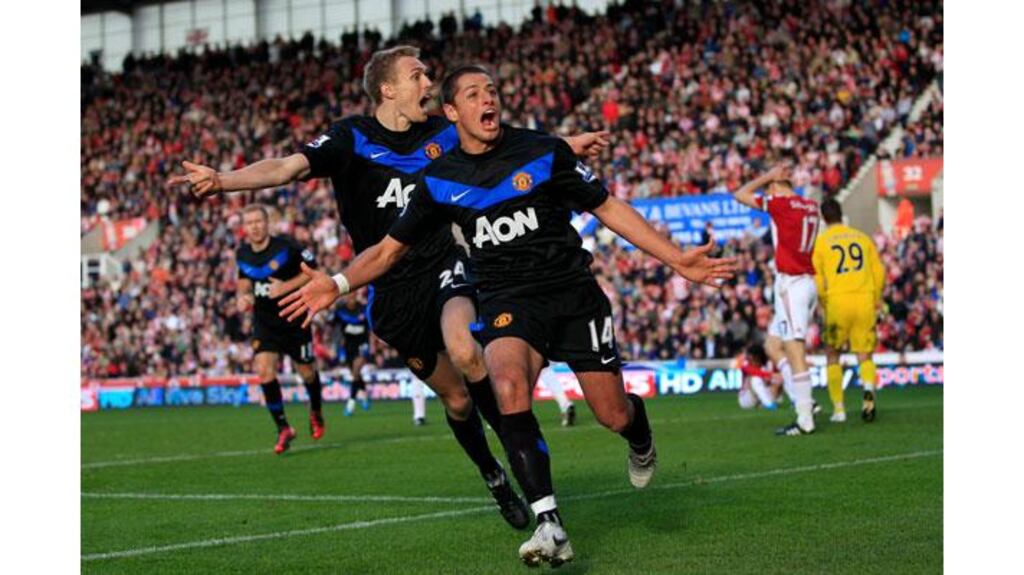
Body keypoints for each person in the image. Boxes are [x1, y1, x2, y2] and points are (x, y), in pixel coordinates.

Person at [278, 64, 738, 567]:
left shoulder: (542, 151)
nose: (487, 100)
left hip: (572, 294)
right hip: (507, 300)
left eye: (492, 91)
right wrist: (338, 283)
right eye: (473, 94)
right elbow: (388, 251)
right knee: (508, 386)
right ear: (452, 113)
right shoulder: (439, 179)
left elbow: (608, 207)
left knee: (611, 414)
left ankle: (638, 430)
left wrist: (677, 259)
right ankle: (549, 523)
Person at [168, 45, 608, 530]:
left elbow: (505, 146)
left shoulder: (442, 132)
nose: (428, 84)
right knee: (456, 400)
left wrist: (566, 143)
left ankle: (524, 462)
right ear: (388, 89)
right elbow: (286, 167)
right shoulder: (351, 137)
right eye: (417, 76)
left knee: (467, 349)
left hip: (445, 261)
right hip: (389, 288)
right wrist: (223, 180)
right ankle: (492, 473)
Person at [733, 166, 820, 436]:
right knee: (773, 345)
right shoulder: (811, 206)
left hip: (792, 284)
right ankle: (803, 400)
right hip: (804, 281)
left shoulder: (780, 204)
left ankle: (805, 417)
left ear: (773, 187)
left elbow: (740, 194)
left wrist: (766, 174)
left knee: (794, 349)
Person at [234, 204, 324, 454]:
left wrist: (285, 287)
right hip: (265, 322)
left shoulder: (287, 247)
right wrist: (243, 297)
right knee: (264, 371)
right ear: (244, 228)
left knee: (306, 372)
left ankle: (316, 410)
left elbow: (313, 272)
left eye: (258, 221)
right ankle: (283, 428)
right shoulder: (242, 253)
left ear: (267, 223)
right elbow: (243, 281)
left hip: (294, 317)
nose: (254, 227)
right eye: (249, 223)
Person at [812, 199, 885, 422]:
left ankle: (839, 409)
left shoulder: (821, 242)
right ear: (841, 214)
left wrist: (824, 302)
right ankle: (868, 390)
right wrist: (875, 297)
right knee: (865, 354)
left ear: (823, 218)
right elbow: (879, 271)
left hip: (837, 302)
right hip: (864, 300)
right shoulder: (862, 238)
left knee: (833, 354)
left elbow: (818, 279)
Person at [334, 296, 371, 416]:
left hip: (362, 344)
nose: (351, 299)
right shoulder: (340, 311)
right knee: (355, 374)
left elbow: (371, 325)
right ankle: (364, 395)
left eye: (353, 296)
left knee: (356, 370)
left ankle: (351, 403)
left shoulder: (363, 309)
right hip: (348, 346)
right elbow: (332, 324)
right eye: (349, 297)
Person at [736, 344, 783, 410]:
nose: (749, 358)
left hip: (764, 391)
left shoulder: (769, 364)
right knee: (755, 378)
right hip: (747, 398)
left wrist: (770, 379)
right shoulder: (745, 364)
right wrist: (770, 375)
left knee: (778, 380)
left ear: (758, 356)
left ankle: (768, 402)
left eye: (751, 356)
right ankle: (768, 404)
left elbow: (779, 377)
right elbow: (753, 371)